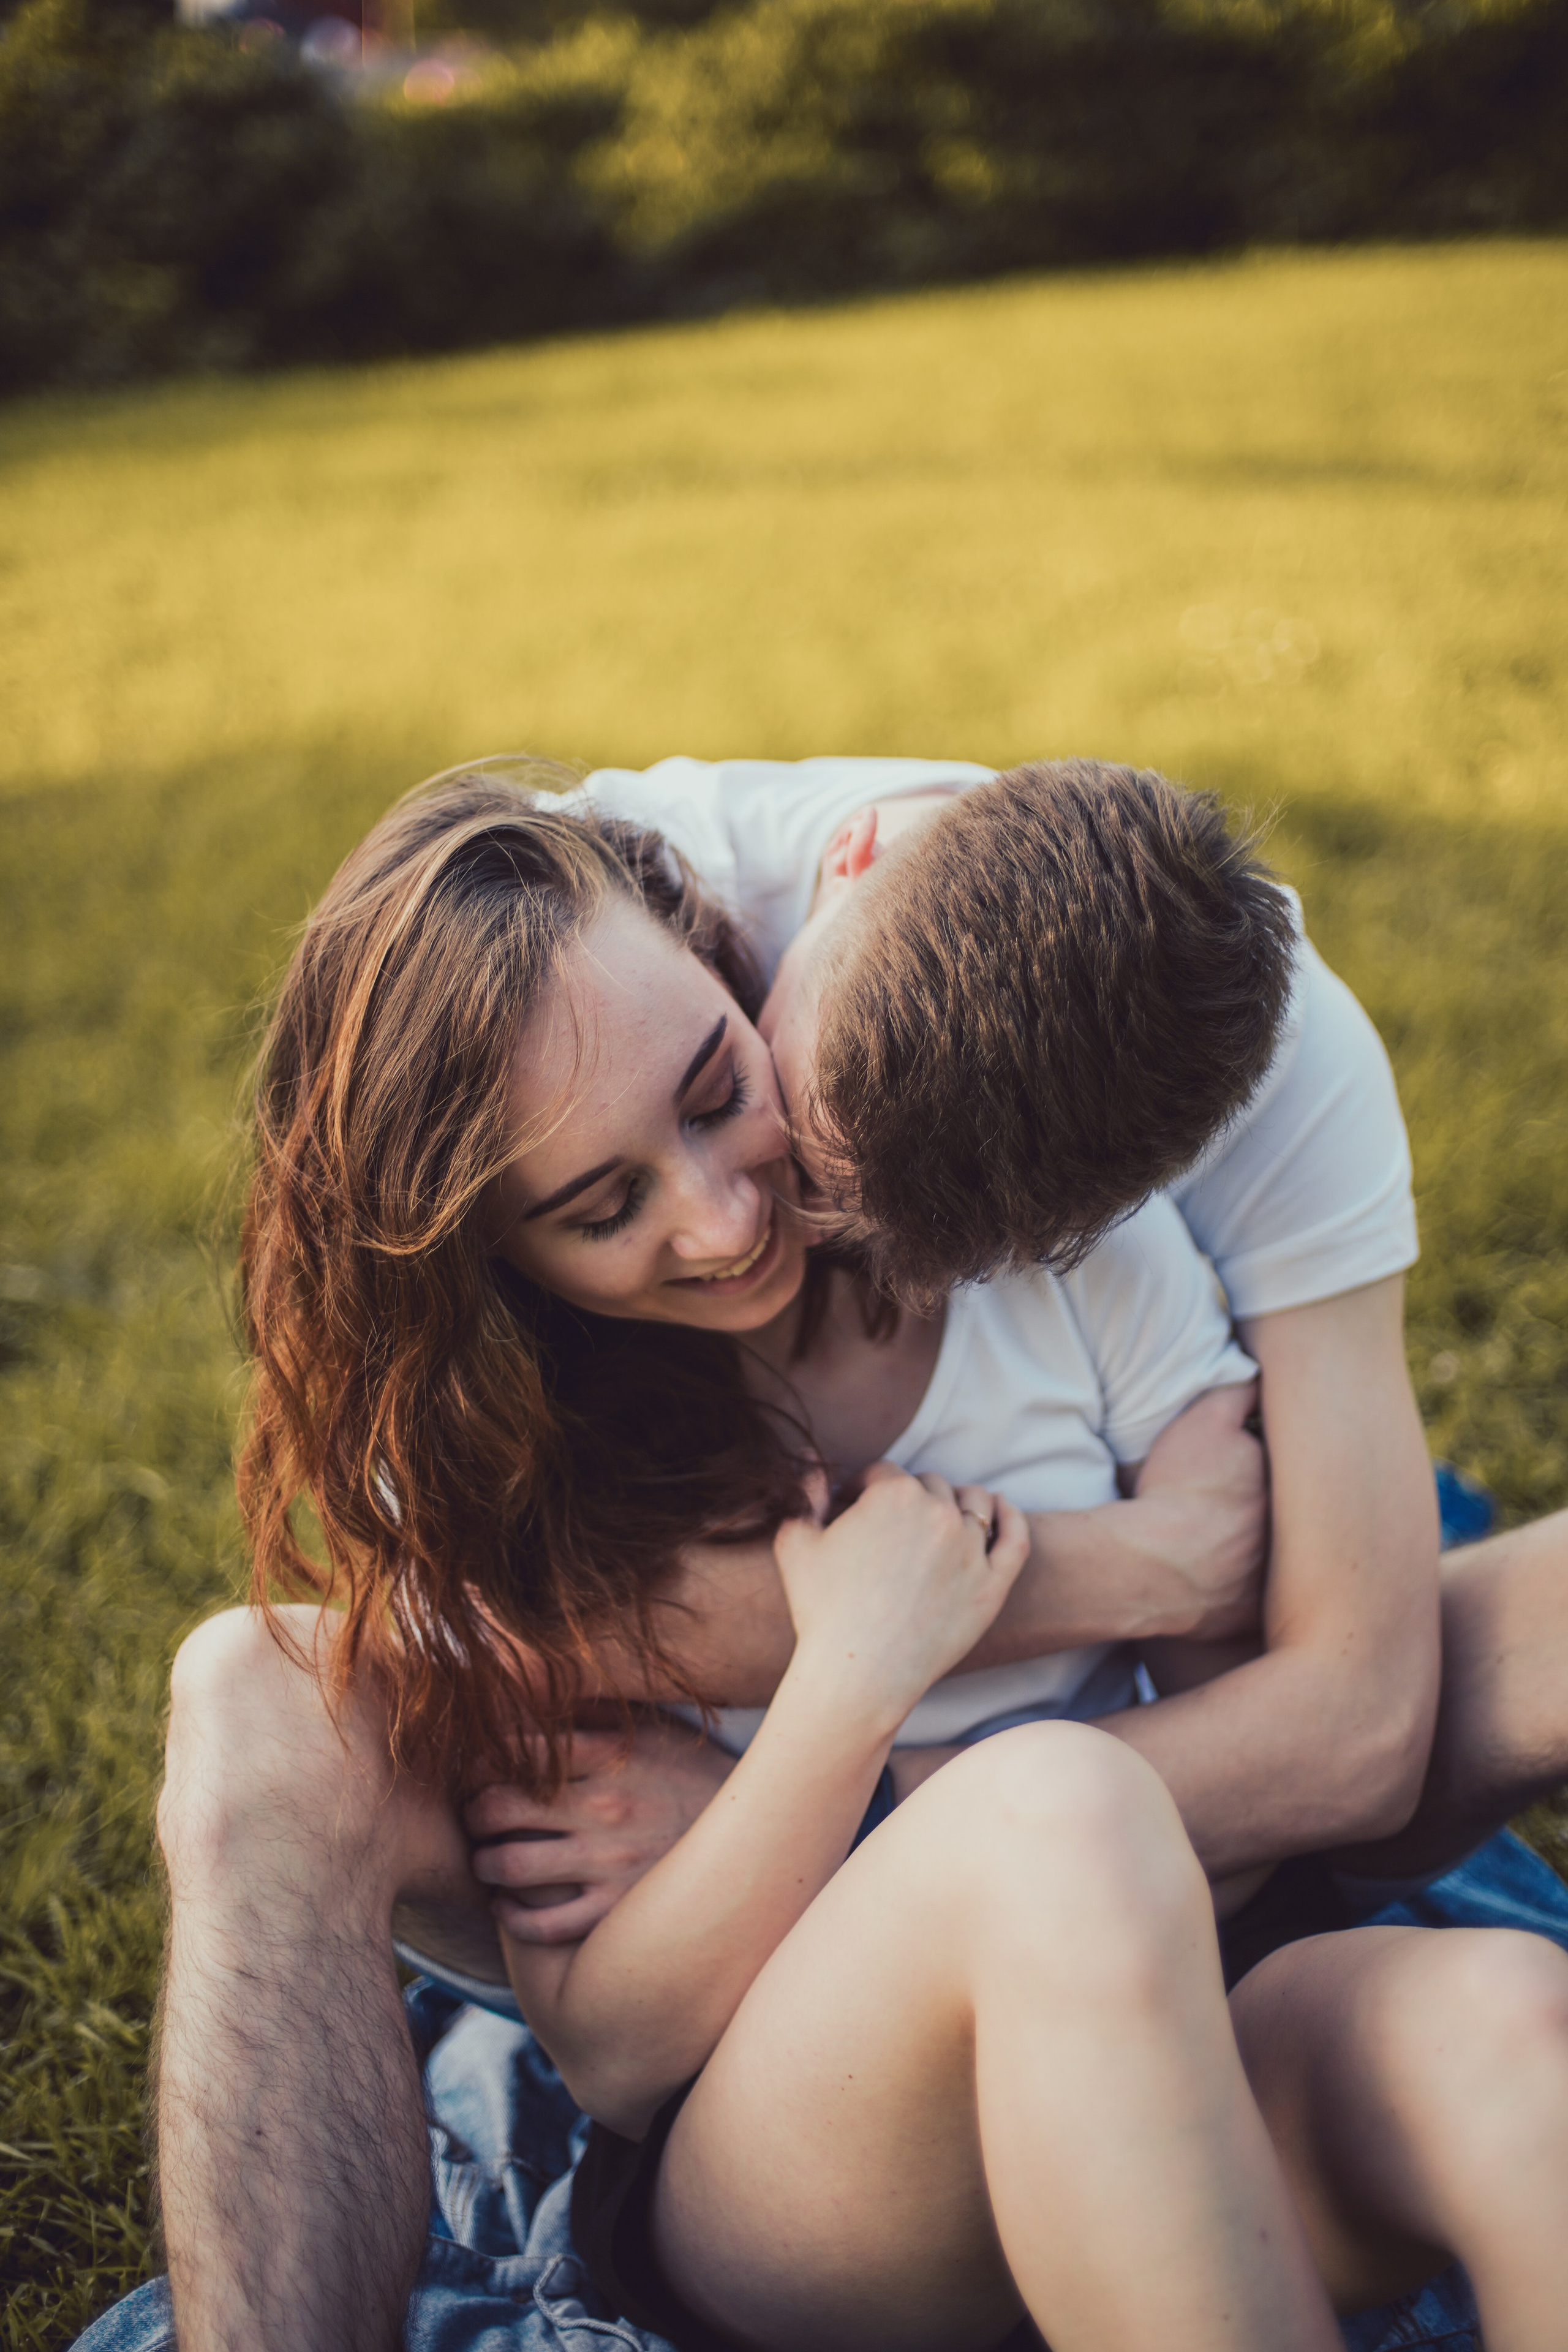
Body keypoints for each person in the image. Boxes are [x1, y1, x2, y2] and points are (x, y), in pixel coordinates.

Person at [132, 764, 1568, 2352]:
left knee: (1511, 2034)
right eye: (606, 1207)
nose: (728, 1216)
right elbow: (611, 2055)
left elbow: (1268, 1778)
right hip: (807, 2148)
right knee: (1058, 1809)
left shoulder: (1054, 1231)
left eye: (711, 1091)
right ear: (506, 1257)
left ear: (726, 947)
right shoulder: (555, 1446)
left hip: (1179, 2014)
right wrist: (856, 1684)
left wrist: (871, 1740)